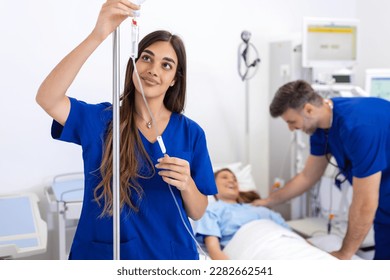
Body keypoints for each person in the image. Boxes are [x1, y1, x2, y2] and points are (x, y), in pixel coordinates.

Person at [36, 0, 217, 260]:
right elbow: (47, 98)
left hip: (170, 257)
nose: (153, 70)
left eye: (166, 65)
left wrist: (187, 183)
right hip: (106, 256)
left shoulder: (191, 133)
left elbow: (198, 211)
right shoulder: (101, 121)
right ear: (133, 63)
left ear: (175, 78)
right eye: (146, 58)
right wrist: (98, 35)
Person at [255, 79, 390, 260]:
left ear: (309, 109)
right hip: (385, 209)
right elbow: (307, 177)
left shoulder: (359, 127)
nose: (291, 129)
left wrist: (344, 254)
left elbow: (365, 202)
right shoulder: (320, 129)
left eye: (292, 121)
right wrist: (268, 201)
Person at [195, 168, 290, 260]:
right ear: (213, 184)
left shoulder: (259, 207)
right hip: (255, 248)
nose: (232, 181)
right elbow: (214, 251)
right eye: (225, 177)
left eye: (234, 179)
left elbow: (288, 232)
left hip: (286, 242)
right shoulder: (211, 209)